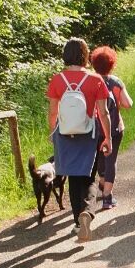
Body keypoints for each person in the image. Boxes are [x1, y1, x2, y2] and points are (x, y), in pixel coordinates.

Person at [47, 38, 112, 243]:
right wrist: (108, 137)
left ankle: (77, 222)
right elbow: (103, 112)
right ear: (85, 56)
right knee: (88, 177)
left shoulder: (57, 80)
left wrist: (52, 133)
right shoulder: (96, 80)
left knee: (74, 178)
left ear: (66, 55)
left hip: (65, 134)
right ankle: (87, 213)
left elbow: (52, 112)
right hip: (88, 134)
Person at [89, 46, 133, 210]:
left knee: (100, 159)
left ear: (93, 63)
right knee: (111, 159)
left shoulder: (90, 81)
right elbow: (128, 103)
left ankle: (102, 186)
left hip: (94, 128)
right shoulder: (115, 82)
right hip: (114, 127)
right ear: (112, 64)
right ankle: (107, 197)